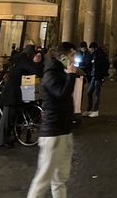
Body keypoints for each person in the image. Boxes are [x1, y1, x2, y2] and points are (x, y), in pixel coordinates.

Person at [26, 42, 77, 198]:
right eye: (72, 55)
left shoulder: (59, 71)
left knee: (59, 179)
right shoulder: (50, 74)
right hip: (53, 133)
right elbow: (61, 94)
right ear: (63, 56)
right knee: (43, 180)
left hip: (63, 131)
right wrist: (71, 75)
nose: (74, 58)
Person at [0, 44, 44, 148]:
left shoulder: (18, 59)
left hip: (13, 92)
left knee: (10, 117)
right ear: (30, 54)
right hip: (12, 93)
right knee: (7, 118)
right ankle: (0, 142)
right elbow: (36, 71)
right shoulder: (24, 61)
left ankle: (9, 138)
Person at [82, 42, 109, 118]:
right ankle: (89, 109)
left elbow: (103, 65)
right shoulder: (93, 55)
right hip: (94, 76)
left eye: (91, 48)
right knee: (89, 92)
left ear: (94, 48)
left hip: (98, 76)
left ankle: (95, 110)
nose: (90, 50)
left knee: (97, 93)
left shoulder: (100, 55)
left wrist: (103, 75)